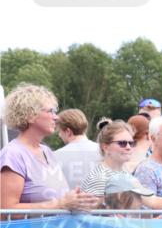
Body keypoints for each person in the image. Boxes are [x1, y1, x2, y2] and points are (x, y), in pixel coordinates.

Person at [0, 84, 100, 212]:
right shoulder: (12, 154)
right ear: (30, 115)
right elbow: (5, 210)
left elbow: (54, 199)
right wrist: (61, 203)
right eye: (50, 111)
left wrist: (77, 199)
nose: (56, 117)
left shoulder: (46, 151)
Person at [82, 121, 162, 217]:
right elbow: (85, 218)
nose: (128, 147)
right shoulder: (99, 177)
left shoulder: (124, 175)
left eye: (131, 143)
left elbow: (151, 200)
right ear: (105, 147)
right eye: (122, 143)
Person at [53, 109, 101, 189]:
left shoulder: (54, 156)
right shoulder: (105, 152)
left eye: (60, 131)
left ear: (68, 131)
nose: (59, 135)